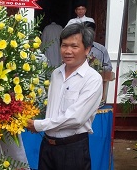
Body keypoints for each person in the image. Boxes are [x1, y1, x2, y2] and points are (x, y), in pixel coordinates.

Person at [26, 23, 103, 170]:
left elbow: (76, 118)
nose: (67, 51)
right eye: (64, 45)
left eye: (74, 46)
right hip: (48, 146)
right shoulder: (56, 73)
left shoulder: (92, 79)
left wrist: (39, 125)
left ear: (87, 49)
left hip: (73, 149)